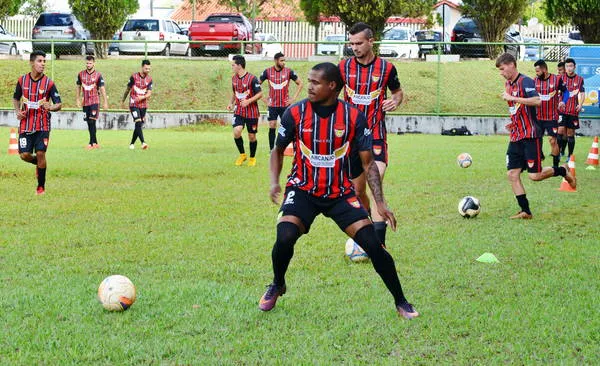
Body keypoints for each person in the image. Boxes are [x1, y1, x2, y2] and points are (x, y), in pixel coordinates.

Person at [259, 62, 418, 319]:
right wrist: (275, 181)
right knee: (285, 234)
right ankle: (277, 283)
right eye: (308, 81)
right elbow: (277, 150)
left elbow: (368, 164)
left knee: (373, 245)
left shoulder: (354, 117)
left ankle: (401, 302)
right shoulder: (295, 113)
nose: (309, 87)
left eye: (315, 82)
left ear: (332, 86)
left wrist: (380, 202)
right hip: (303, 188)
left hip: (339, 192)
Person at [339, 22, 403, 247]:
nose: (354, 47)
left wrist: (394, 101)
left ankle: (379, 243)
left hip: (375, 136)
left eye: (358, 43)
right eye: (352, 43)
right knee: (357, 190)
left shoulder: (387, 69)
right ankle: (366, 221)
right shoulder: (343, 68)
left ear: (370, 41)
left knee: (377, 182)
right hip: (350, 139)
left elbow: (397, 92)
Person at [496, 53, 576, 219]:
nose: (501, 73)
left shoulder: (525, 81)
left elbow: (537, 100)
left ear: (511, 65)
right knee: (512, 174)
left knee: (535, 176)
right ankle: (526, 211)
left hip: (531, 135)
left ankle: (562, 170)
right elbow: (517, 108)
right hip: (516, 135)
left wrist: (513, 97)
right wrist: (513, 122)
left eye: (502, 69)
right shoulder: (507, 84)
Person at [12, 50, 62, 195]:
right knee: (24, 155)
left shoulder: (49, 83)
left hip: (43, 124)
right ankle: (38, 165)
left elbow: (59, 104)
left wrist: (51, 106)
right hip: (26, 124)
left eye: (44, 61)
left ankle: (41, 187)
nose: (43, 64)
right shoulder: (22, 81)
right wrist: (17, 112)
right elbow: (16, 98)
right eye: (40, 61)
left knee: (41, 153)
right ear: (32, 63)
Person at [259, 52, 303, 151]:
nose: (284, 63)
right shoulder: (267, 72)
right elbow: (256, 85)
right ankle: (272, 150)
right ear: (275, 61)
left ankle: (291, 149)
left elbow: (300, 83)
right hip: (272, 105)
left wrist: (293, 99)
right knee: (272, 125)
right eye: (281, 61)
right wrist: (264, 99)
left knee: (287, 126)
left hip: (285, 105)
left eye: (284, 60)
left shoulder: (289, 72)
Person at [227, 55, 263, 166]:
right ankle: (242, 155)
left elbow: (260, 94)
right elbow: (235, 92)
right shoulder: (234, 78)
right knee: (237, 131)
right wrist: (230, 103)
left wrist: (248, 101)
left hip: (251, 112)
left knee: (252, 136)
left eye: (233, 65)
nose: (232, 67)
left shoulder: (252, 79)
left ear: (239, 65)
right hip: (239, 111)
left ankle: (252, 158)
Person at [533, 59, 569, 168]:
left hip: (552, 116)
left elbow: (566, 92)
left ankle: (555, 166)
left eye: (538, 71)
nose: (537, 73)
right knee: (537, 140)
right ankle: (540, 158)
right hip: (538, 116)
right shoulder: (534, 81)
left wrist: (563, 101)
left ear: (544, 69)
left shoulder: (556, 79)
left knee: (552, 140)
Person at [76, 55, 108, 150]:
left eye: (90, 63)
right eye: (87, 63)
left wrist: (105, 101)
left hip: (95, 101)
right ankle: (95, 143)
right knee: (89, 123)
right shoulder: (81, 74)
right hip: (85, 102)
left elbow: (102, 88)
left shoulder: (98, 75)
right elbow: (78, 87)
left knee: (92, 121)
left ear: (94, 63)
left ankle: (91, 143)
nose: (88, 65)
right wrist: (77, 99)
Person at [558, 58, 585, 162]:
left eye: (571, 66)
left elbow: (582, 93)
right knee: (560, 131)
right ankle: (560, 152)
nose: (569, 68)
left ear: (574, 67)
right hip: (561, 110)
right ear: (565, 68)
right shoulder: (560, 78)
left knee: (569, 133)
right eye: (567, 66)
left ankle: (570, 155)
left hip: (573, 110)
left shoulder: (579, 79)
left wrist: (581, 104)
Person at [122, 59, 152, 150]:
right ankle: (143, 142)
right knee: (138, 121)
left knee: (138, 125)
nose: (147, 70)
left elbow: (149, 93)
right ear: (142, 67)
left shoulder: (149, 79)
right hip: (133, 104)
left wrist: (142, 98)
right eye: (146, 68)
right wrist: (123, 100)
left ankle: (132, 143)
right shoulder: (134, 77)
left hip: (143, 105)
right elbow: (127, 89)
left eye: (149, 69)